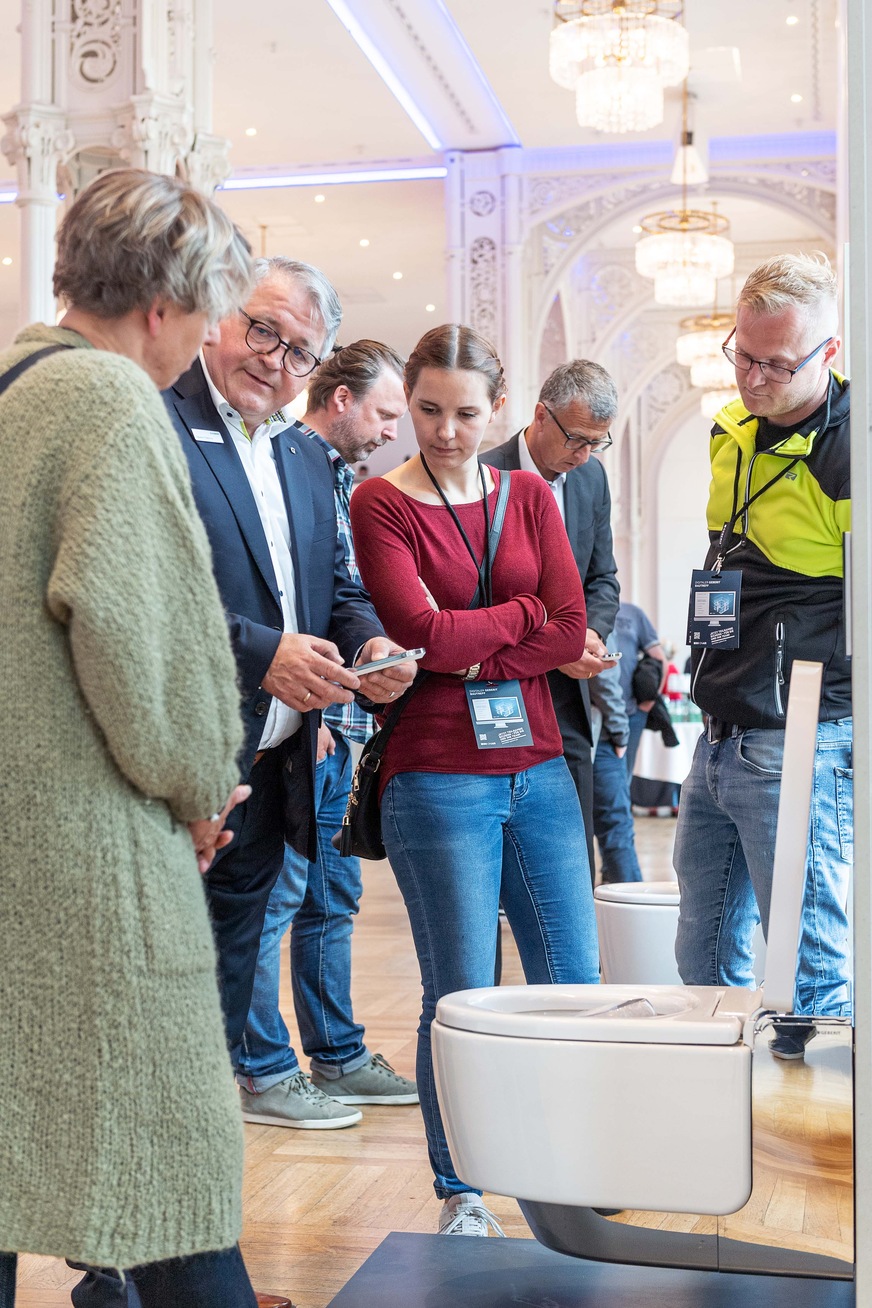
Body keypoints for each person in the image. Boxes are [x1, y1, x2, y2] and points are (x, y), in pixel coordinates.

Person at [0, 168, 259, 1307]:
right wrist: (201, 786)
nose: (202, 345)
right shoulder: (108, 400)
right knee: (167, 1162)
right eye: (205, 315)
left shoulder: (12, 388)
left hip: (18, 835)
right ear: (162, 304)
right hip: (85, 849)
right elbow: (146, 639)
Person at [349, 324, 601, 1237]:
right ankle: (462, 1189)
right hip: (436, 774)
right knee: (459, 993)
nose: (446, 431)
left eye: (464, 413)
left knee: (573, 983)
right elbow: (418, 632)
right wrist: (524, 618)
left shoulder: (530, 494)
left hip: (539, 767)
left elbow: (569, 626)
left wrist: (473, 646)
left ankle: (571, 1163)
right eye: (427, 410)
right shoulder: (381, 503)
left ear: (498, 408)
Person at [163, 257, 418, 1090]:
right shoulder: (159, 421)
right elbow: (145, 589)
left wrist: (369, 645)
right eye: (262, 329)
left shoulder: (304, 457)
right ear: (218, 315)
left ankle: (211, 1128)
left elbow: (335, 587)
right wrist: (261, 653)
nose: (274, 359)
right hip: (176, 766)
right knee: (157, 997)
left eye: (300, 350)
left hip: (275, 766)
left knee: (225, 999)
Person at [674, 252, 852, 1060]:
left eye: (777, 364)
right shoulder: (731, 434)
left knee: (810, 966)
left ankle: (825, 1127)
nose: (753, 378)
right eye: (742, 355)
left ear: (828, 352)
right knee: (703, 955)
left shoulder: (848, 449)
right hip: (719, 729)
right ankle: (725, 1100)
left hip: (801, 735)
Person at [238, 340, 419, 1127]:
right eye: (385, 413)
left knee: (330, 897)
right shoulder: (277, 461)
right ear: (340, 398)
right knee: (274, 899)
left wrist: (371, 645)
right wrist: (304, 717)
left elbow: (339, 593)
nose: (392, 431)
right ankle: (263, 1068)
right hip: (292, 721)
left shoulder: (335, 475)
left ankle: (337, 1054)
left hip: (335, 718)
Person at [482, 361, 620, 878]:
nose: (583, 454)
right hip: (502, 683)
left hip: (568, 694)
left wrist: (589, 633)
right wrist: (556, 645)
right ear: (541, 415)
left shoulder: (591, 478)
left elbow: (603, 578)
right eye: (576, 439)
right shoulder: (484, 475)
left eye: (596, 443)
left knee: (572, 857)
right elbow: (477, 599)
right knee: (501, 849)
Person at [589, 663, 643, 883]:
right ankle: (632, 901)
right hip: (599, 736)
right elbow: (602, 676)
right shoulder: (596, 634)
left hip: (586, 734)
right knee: (615, 824)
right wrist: (620, 732)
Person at [611, 601, 668, 781]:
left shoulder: (633, 613)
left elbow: (660, 659)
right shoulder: (584, 606)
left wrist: (650, 699)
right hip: (594, 709)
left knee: (625, 775)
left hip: (631, 712)